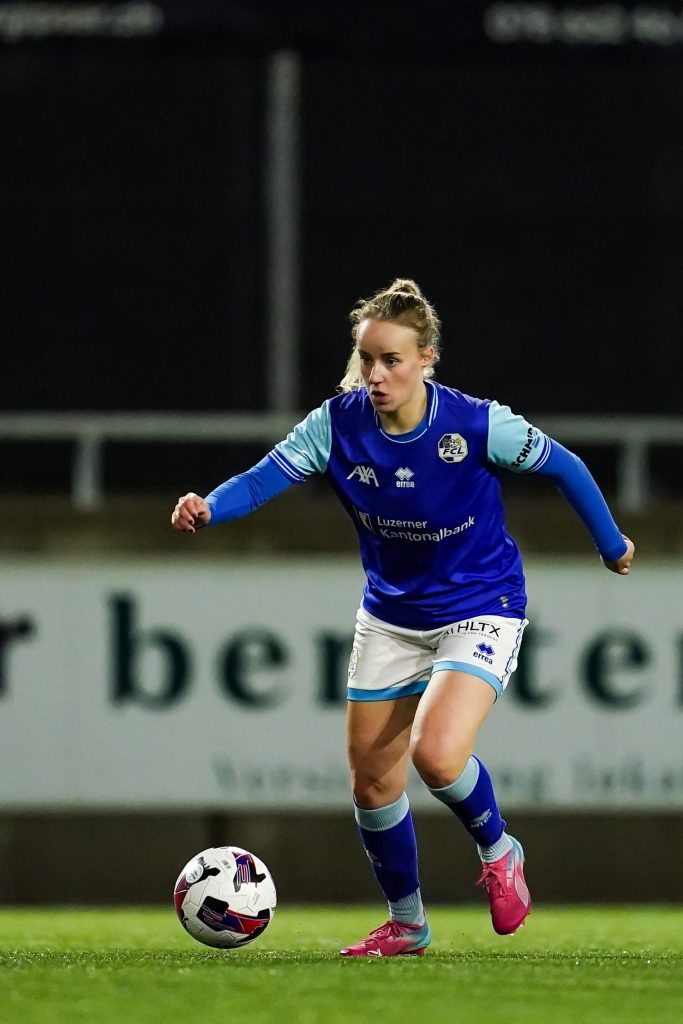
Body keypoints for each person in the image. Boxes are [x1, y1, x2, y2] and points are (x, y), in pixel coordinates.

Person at [171, 279, 634, 957]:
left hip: (481, 604)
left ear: (426, 358)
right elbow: (264, 478)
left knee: (437, 755)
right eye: (367, 359)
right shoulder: (337, 424)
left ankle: (499, 851)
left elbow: (565, 466)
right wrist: (210, 505)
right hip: (390, 617)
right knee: (372, 781)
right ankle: (408, 924)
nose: (377, 375)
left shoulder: (475, 424)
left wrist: (610, 543)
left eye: (391, 360)